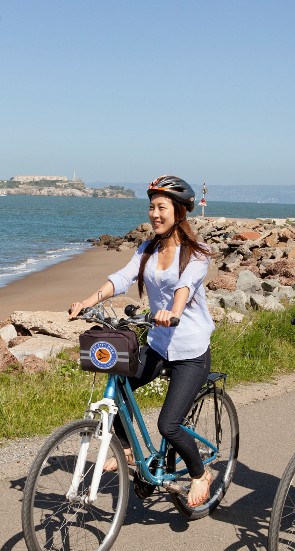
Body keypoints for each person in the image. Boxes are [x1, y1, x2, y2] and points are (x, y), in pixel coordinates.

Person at [69, 175, 215, 507]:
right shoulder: (147, 249)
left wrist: (173, 312)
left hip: (191, 350)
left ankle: (199, 474)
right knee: (118, 387)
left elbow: (185, 287)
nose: (154, 213)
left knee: (169, 425)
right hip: (160, 345)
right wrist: (88, 301)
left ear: (178, 212)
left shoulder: (196, 253)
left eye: (162, 207)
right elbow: (123, 277)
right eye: (151, 207)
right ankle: (129, 451)